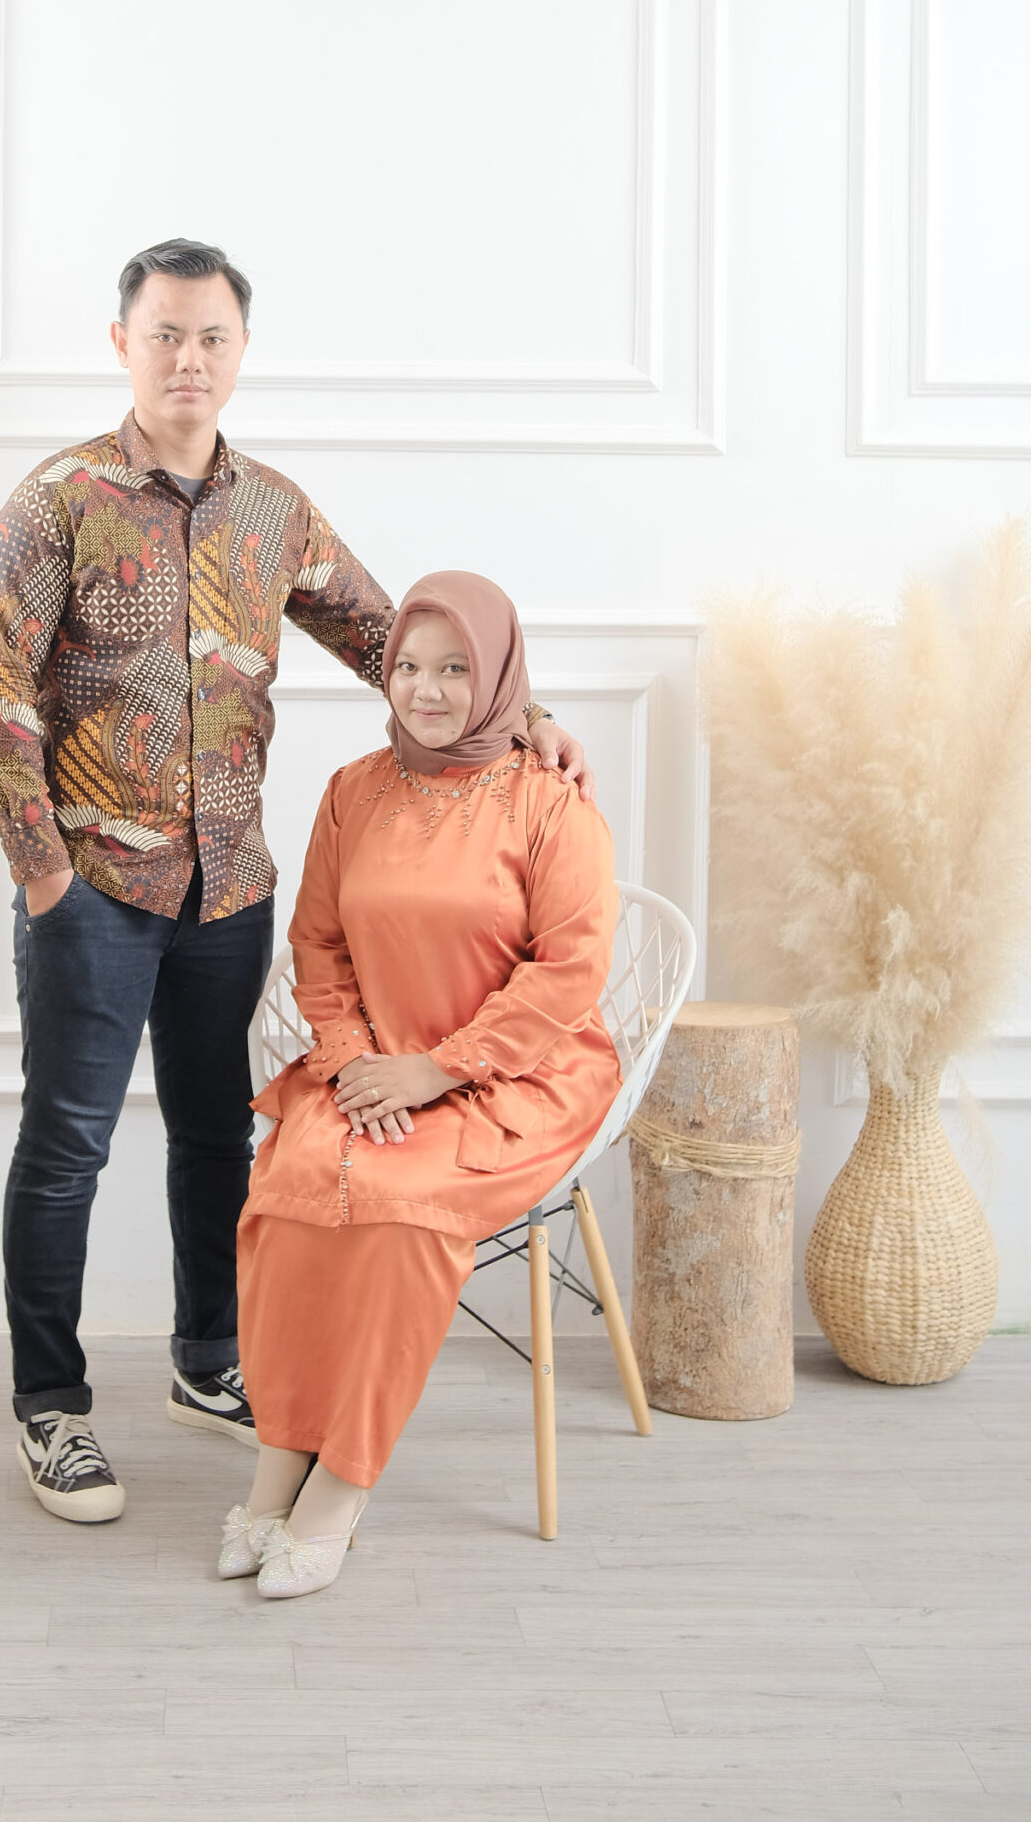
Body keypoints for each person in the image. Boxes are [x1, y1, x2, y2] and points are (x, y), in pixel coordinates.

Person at [0, 242, 594, 1523]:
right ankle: (51, 1405)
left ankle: (209, 1361)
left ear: (241, 350)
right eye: (165, 334)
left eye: (212, 336)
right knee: (68, 1144)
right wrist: (46, 881)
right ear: (122, 343)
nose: (188, 359)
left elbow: (390, 640)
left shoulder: (276, 512)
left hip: (229, 888)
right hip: (93, 887)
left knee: (216, 1136)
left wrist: (529, 719)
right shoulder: (56, 502)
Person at [223, 570, 619, 1598]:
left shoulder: (550, 802)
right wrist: (355, 1059)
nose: (425, 689)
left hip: (516, 1074)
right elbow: (318, 944)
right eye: (406, 665)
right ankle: (278, 1464)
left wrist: (436, 1069)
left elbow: (569, 971)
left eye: (453, 668)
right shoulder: (353, 791)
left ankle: (340, 1484)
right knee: (287, 1187)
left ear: (497, 679)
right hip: (373, 1065)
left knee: (399, 1207)